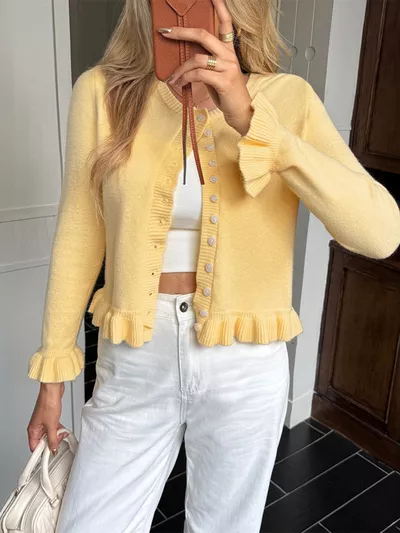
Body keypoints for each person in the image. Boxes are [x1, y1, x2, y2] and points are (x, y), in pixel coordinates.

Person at [26, 0, 400, 531]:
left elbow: (381, 234)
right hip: (135, 357)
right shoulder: (103, 93)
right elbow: (79, 235)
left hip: (244, 363)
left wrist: (253, 122)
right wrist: (52, 381)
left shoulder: (286, 98)